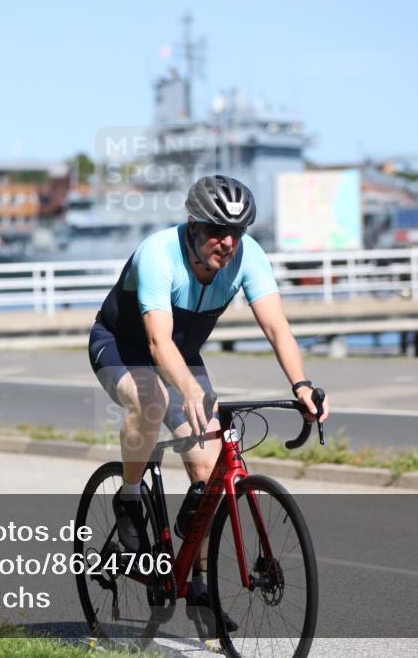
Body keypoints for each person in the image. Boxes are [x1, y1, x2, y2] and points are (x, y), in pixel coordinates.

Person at [88, 174, 330, 629]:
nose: (228, 242)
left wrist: (301, 384)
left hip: (183, 355)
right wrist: (191, 389)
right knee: (152, 398)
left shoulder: (249, 257)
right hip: (123, 344)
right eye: (217, 230)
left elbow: (277, 328)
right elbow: (158, 344)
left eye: (236, 233)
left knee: (209, 469)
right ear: (193, 226)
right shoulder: (159, 253)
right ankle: (129, 497)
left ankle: (198, 584)